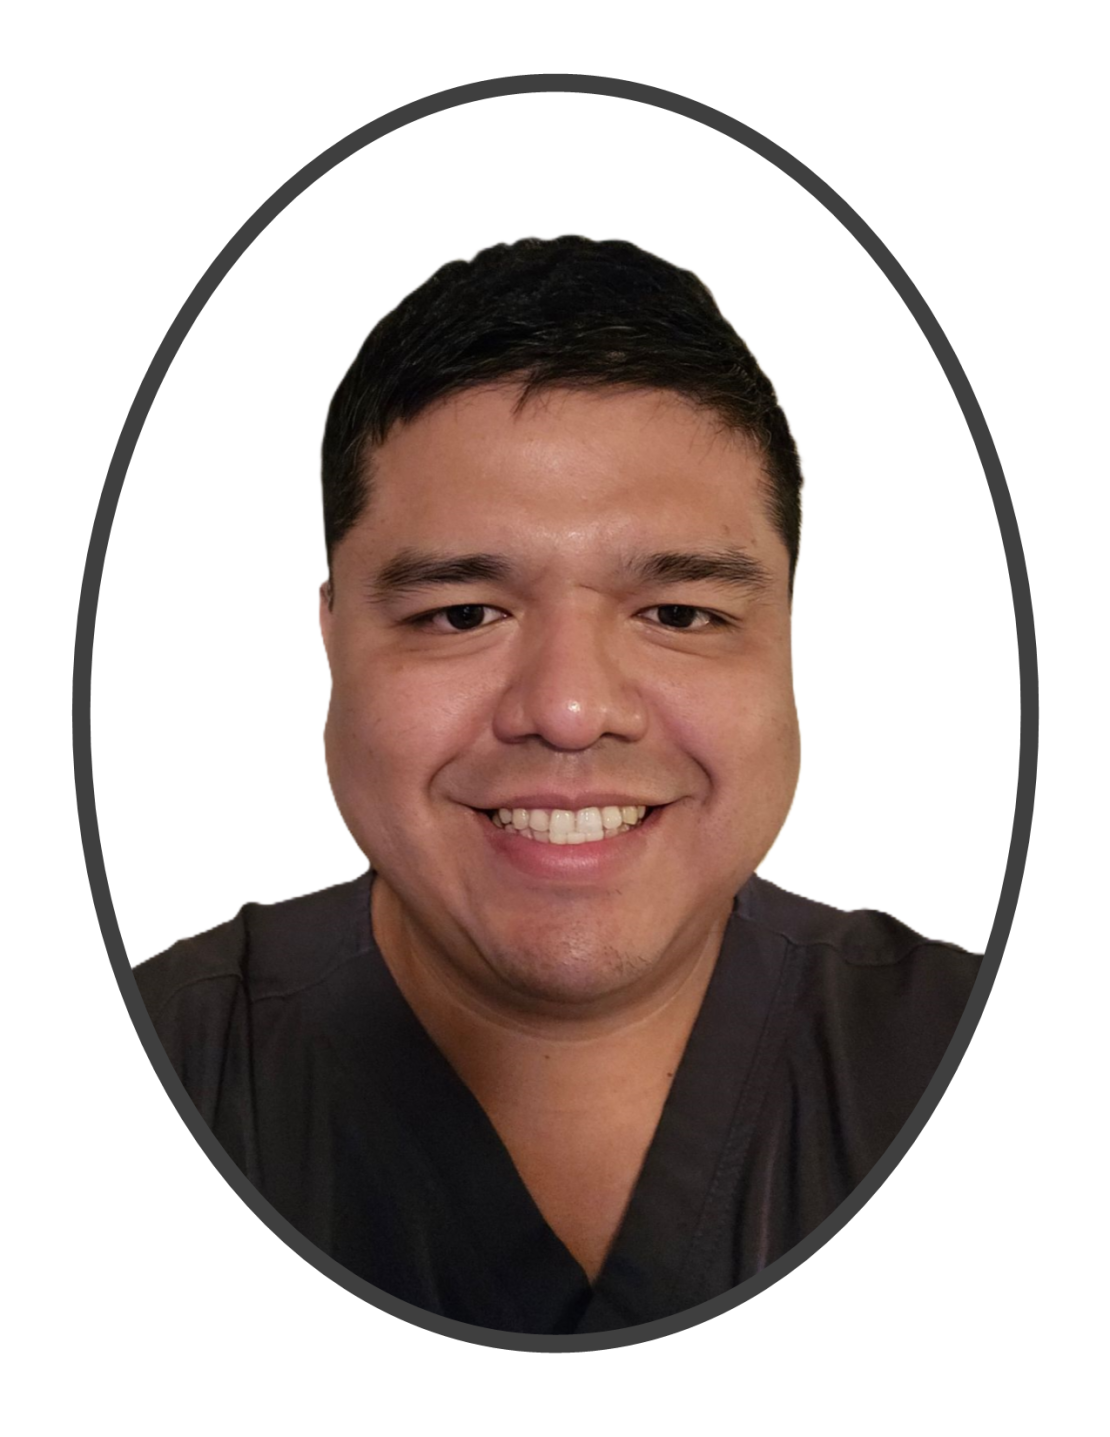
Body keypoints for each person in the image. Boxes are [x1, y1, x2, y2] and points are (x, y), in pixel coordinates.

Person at [135, 236, 980, 1336]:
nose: (571, 708)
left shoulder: (1000, 1063)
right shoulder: (127, 1078)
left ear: (785, 635)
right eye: (462, 614)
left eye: (679, 614)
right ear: (333, 640)